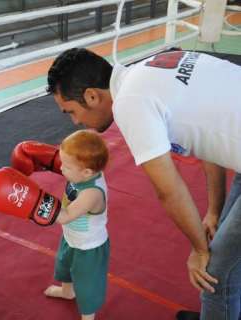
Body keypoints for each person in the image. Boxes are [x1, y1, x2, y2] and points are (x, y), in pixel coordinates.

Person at [44, 47, 241, 320]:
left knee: (214, 274)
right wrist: (214, 212)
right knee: (227, 254)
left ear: (91, 95)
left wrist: (198, 250)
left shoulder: (130, 102)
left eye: (71, 112)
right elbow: (210, 145)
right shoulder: (146, 70)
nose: (76, 122)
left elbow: (168, 190)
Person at [44, 130, 110, 320]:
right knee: (64, 266)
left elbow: (65, 216)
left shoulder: (92, 193)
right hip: (71, 237)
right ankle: (67, 292)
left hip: (89, 247)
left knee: (87, 284)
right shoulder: (84, 172)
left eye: (66, 166)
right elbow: (77, 162)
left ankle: (88, 316)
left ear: (87, 172)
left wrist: (35, 202)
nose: (61, 168)